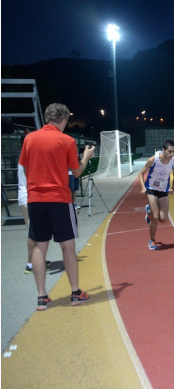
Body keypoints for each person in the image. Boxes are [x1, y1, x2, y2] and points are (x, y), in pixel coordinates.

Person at [18, 103, 95, 311]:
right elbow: (76, 172)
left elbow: (25, 169)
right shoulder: (66, 140)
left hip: (36, 199)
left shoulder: (30, 138)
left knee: (39, 246)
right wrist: (86, 157)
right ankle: (75, 292)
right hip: (59, 200)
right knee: (67, 246)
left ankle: (42, 296)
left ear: (46, 118)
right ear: (63, 120)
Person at [139, 140, 174, 250]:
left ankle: (148, 211)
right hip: (151, 188)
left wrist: (173, 188)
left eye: (173, 152)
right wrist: (143, 188)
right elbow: (141, 174)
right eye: (169, 152)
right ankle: (152, 240)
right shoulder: (153, 160)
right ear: (163, 150)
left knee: (163, 219)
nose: (171, 154)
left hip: (164, 190)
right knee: (155, 217)